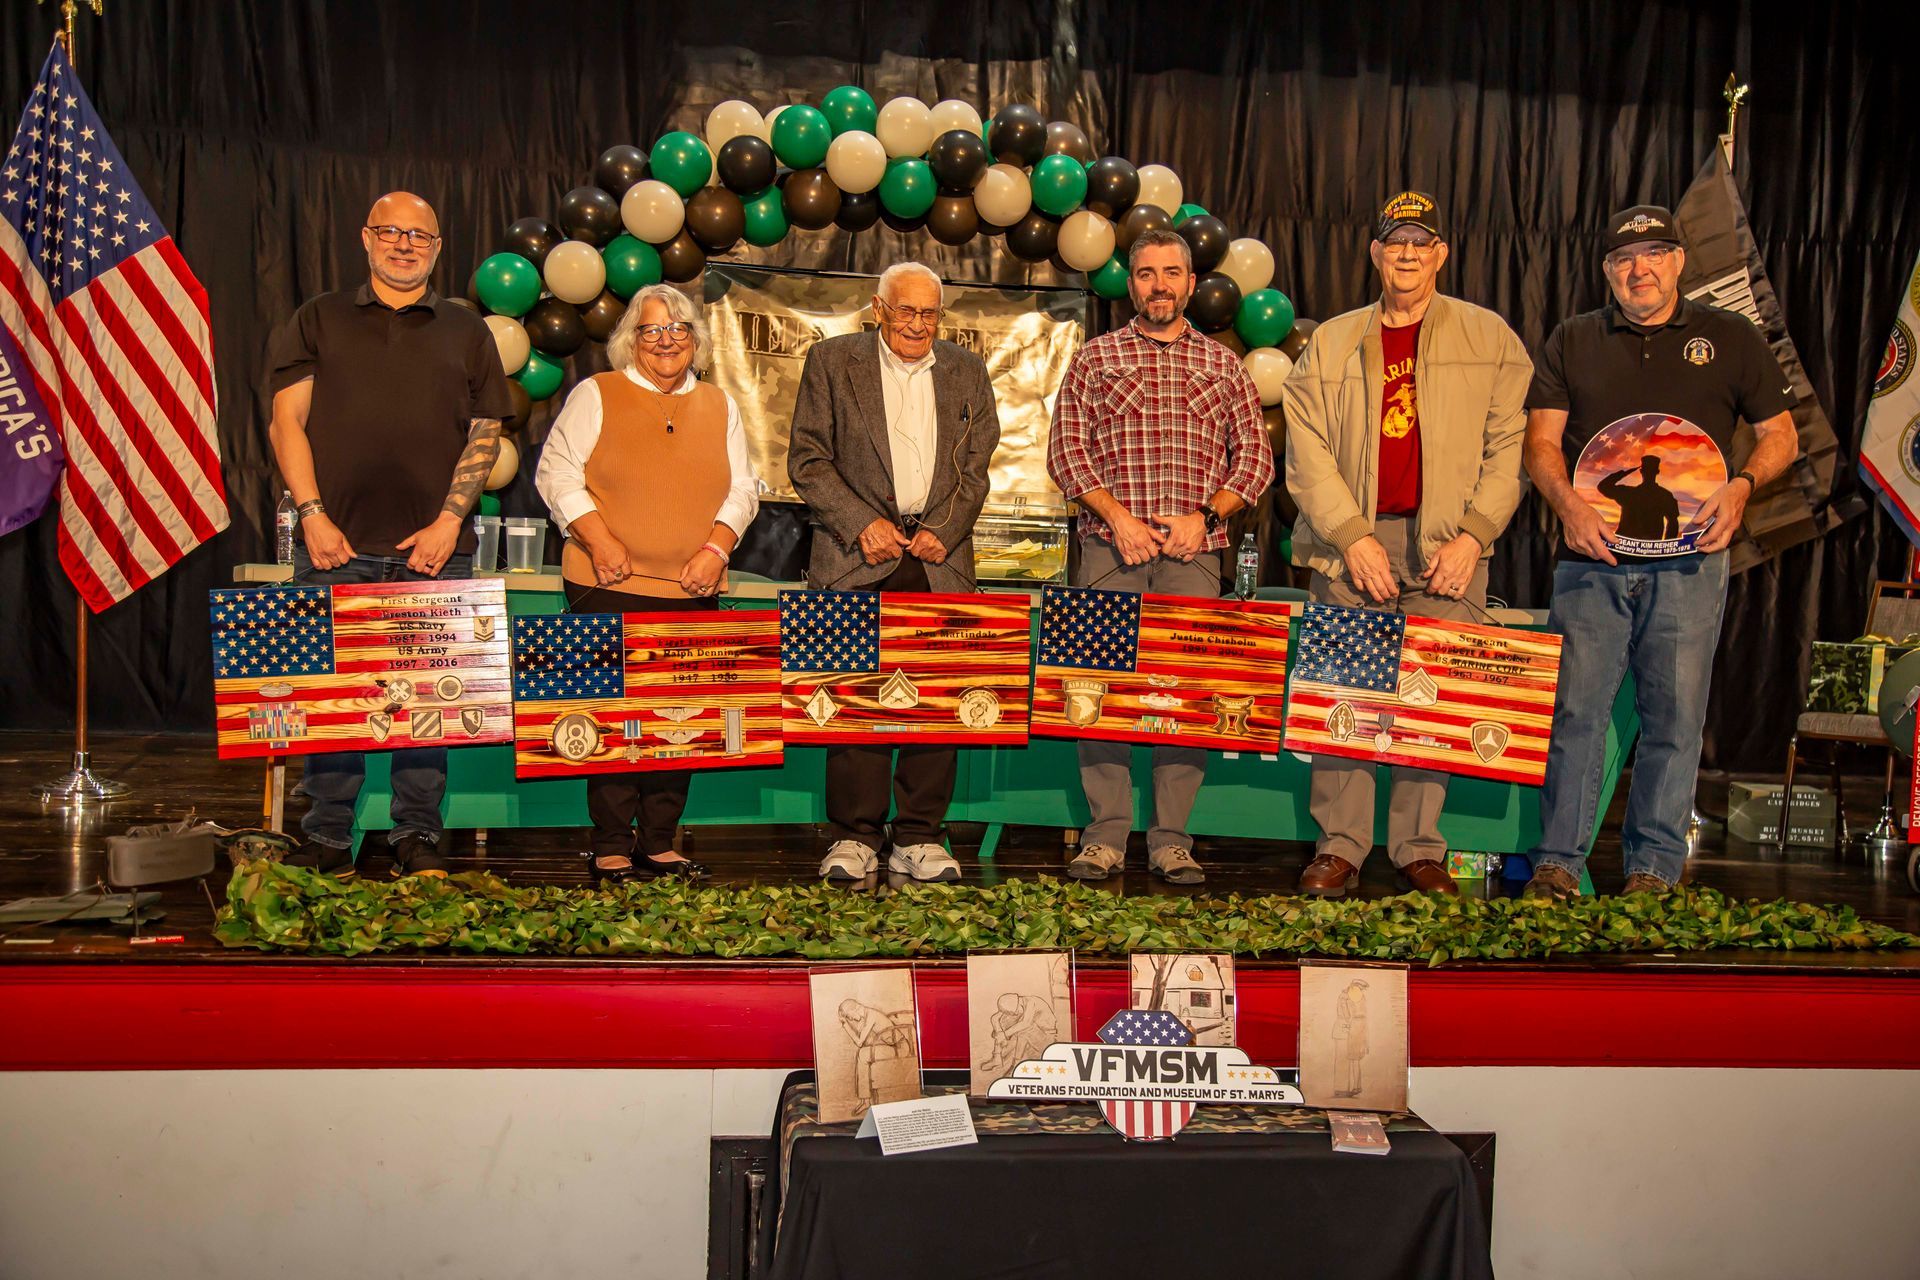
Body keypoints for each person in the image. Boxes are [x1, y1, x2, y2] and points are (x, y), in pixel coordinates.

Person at [1521, 205, 1796, 898]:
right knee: (1575, 713)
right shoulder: (1573, 338)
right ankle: (1557, 863)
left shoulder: (1730, 338)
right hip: (1593, 560)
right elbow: (1541, 444)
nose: (1637, 269)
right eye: (1622, 259)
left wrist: (1741, 487)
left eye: (1652, 255)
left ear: (1677, 261)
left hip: (1690, 562)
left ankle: (1653, 872)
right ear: (1606, 270)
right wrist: (1568, 505)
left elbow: (1782, 436)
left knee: (1675, 720)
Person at [1281, 191, 1533, 898]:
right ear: (1376, 253)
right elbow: (1307, 457)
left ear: (1442, 254)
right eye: (1396, 242)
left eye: (1421, 243)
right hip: (1352, 545)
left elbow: (1507, 450)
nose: (1408, 254)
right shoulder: (1330, 342)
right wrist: (1353, 536)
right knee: (1347, 697)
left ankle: (1419, 847)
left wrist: (1474, 538)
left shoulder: (1490, 339)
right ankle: (1341, 847)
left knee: (1432, 699)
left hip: (1448, 544)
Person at [267, 192, 513, 879]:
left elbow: (486, 430)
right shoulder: (318, 318)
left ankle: (418, 834)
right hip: (332, 547)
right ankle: (325, 835)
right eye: (392, 233)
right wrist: (311, 515)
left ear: (438, 249)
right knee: (333, 701)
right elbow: (287, 423)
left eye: (421, 237)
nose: (405, 245)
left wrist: (449, 520)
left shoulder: (466, 331)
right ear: (366, 238)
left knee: (429, 701)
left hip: (434, 555)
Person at [1047, 228, 1274, 885]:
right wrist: (1118, 519)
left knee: (1185, 697)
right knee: (1097, 691)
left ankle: (1172, 839)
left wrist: (1202, 519)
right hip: (1109, 551)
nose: (1159, 285)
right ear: (1131, 283)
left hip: (1192, 554)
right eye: (1146, 273)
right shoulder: (1096, 358)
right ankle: (1105, 835)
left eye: (1171, 273)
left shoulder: (1223, 365)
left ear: (1191, 283)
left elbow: (1254, 460)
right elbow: (1066, 452)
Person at [534, 284, 760, 881]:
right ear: (630, 339)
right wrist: (598, 540)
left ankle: (659, 840)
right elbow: (556, 473)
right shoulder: (596, 393)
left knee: (676, 720)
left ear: (696, 340)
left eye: (680, 329)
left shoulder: (721, 404)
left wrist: (718, 549)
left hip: (692, 590)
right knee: (610, 718)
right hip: (604, 584)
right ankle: (610, 842)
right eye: (653, 329)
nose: (667, 341)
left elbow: (743, 488)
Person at [787, 263, 1001, 882]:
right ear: (878, 310)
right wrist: (861, 524)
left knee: (934, 702)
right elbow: (808, 459)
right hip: (857, 557)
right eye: (905, 311)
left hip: (938, 558)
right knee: (854, 702)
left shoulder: (966, 369)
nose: (917, 324)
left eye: (928, 314)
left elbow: (977, 462)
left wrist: (946, 529)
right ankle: (854, 837)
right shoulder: (832, 362)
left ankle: (921, 835)